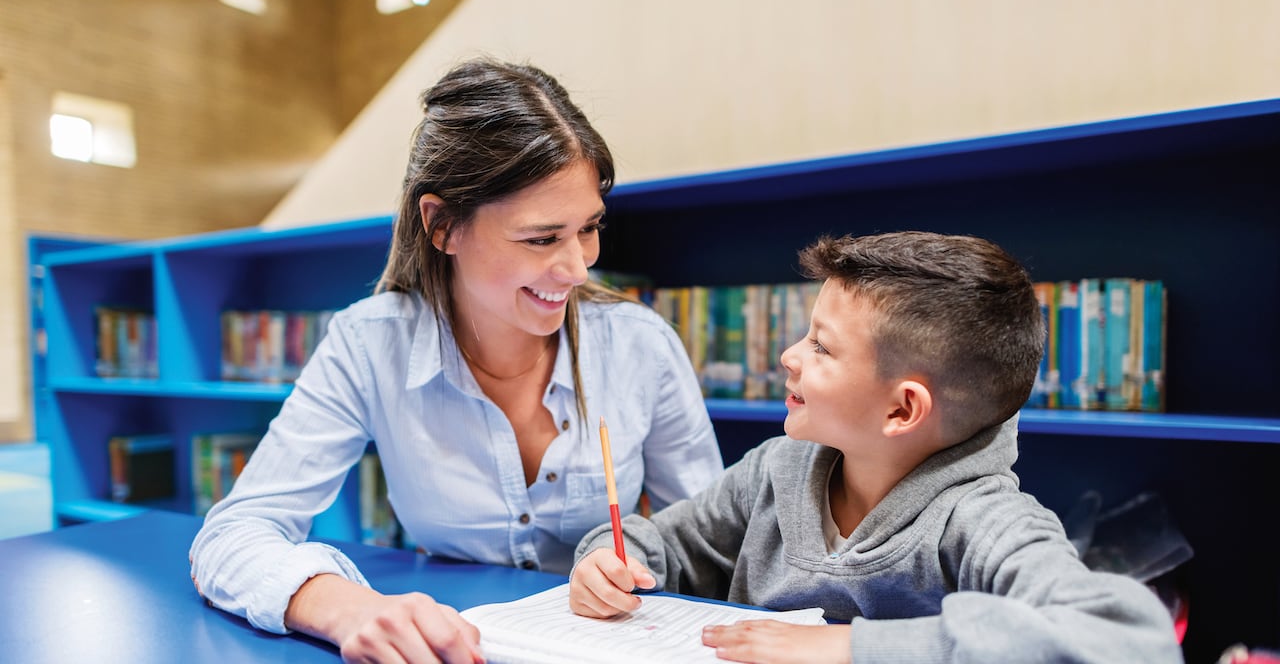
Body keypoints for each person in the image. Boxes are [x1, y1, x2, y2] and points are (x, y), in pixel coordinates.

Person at [189, 58, 724, 663]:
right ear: (442, 225)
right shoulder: (369, 344)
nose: (578, 269)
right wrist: (348, 609)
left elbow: (713, 542)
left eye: (589, 229)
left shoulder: (641, 345)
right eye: (542, 238)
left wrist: (643, 569)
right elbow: (232, 536)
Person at [570, 231, 1183, 664]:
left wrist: (850, 648)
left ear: (901, 409)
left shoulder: (985, 520)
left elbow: (1130, 642)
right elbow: (666, 546)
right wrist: (607, 559)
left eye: (821, 347)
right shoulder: (774, 469)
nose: (789, 356)